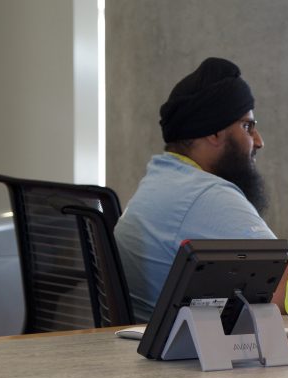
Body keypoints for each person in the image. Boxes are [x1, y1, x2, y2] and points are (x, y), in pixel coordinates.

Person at [115, 57, 278, 321]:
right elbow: (282, 288)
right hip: (176, 359)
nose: (258, 141)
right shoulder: (206, 195)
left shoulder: (163, 177)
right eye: (247, 126)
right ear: (214, 133)